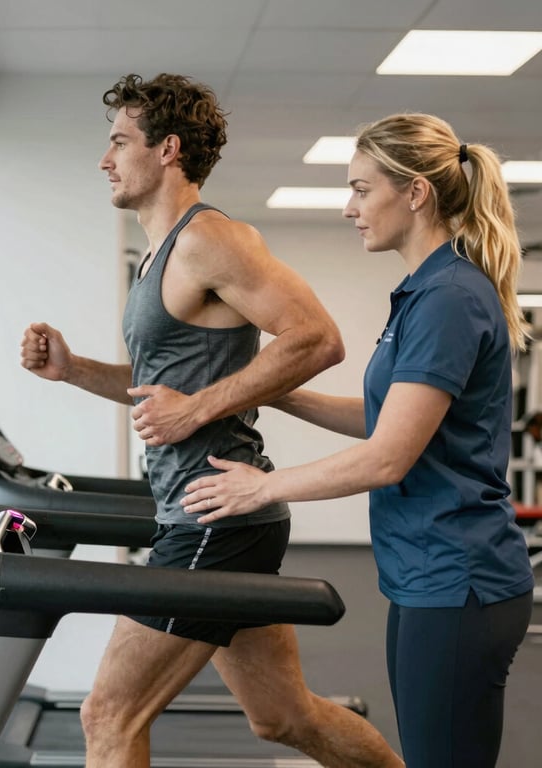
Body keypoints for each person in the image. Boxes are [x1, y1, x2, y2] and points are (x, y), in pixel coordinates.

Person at [20, 73, 404, 767]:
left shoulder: (209, 240)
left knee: (108, 714)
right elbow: (159, 391)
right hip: (214, 518)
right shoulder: (160, 258)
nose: (105, 159)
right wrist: (74, 370)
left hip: (213, 521)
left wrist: (196, 408)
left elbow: (317, 337)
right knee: (286, 719)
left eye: (118, 142)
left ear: (167, 149)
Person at [182, 112, 535, 768]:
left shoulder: (450, 297)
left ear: (415, 193)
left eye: (361, 189)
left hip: (458, 580)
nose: (350, 208)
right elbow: (387, 419)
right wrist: (268, 388)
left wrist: (262, 486)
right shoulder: (427, 291)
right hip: (429, 574)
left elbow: (388, 455)